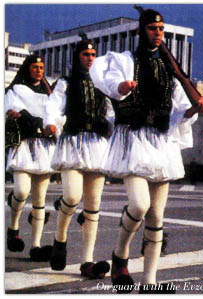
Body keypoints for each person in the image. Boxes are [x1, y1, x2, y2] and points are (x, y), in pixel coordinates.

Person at [89, 8, 203, 293]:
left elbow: (180, 109)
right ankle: (120, 255)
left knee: (156, 217)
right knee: (140, 205)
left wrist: (197, 107)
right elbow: (108, 81)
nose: (158, 32)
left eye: (161, 28)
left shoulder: (171, 70)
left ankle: (149, 282)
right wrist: (121, 86)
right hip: (133, 139)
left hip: (160, 142)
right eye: (153, 28)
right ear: (141, 31)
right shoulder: (126, 60)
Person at [46, 37, 112, 279]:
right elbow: (53, 107)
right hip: (73, 142)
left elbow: (112, 112)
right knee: (72, 196)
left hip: (96, 144)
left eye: (93, 55)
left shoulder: (104, 84)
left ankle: (87, 261)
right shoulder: (66, 82)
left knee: (93, 206)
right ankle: (59, 240)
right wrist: (50, 124)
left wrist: (112, 127)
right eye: (86, 54)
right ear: (78, 57)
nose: (90, 58)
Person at [5, 55, 61, 262]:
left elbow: (56, 116)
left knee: (39, 199)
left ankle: (36, 245)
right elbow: (9, 109)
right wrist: (12, 114)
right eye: (35, 67)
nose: (39, 71)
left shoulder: (50, 94)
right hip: (24, 144)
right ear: (27, 69)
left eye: (41, 67)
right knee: (21, 191)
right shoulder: (16, 90)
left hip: (44, 146)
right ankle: (13, 228)